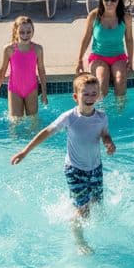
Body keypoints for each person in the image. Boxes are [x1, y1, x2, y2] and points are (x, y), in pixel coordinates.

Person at [11, 73, 115, 253]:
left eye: (93, 93)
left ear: (98, 95)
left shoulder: (101, 117)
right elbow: (46, 132)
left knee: (98, 204)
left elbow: (104, 133)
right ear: (76, 97)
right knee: (84, 211)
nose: (90, 97)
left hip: (96, 169)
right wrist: (25, 151)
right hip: (75, 170)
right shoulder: (70, 117)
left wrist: (108, 142)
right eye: (86, 94)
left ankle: (77, 208)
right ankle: (79, 241)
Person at [76, 0, 134, 102]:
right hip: (98, 57)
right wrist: (79, 60)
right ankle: (99, 113)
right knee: (102, 82)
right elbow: (86, 37)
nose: (109, 2)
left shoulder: (125, 17)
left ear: (118, 1)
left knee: (120, 80)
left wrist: (131, 60)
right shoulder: (94, 15)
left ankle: (119, 111)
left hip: (118, 56)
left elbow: (129, 39)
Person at [0, 15, 50, 120]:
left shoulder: (37, 49)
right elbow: (2, 70)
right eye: (22, 32)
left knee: (33, 120)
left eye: (28, 32)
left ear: (33, 31)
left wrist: (44, 93)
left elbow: (41, 71)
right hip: (14, 89)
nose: (25, 35)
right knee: (15, 121)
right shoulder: (9, 49)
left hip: (31, 89)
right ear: (15, 31)